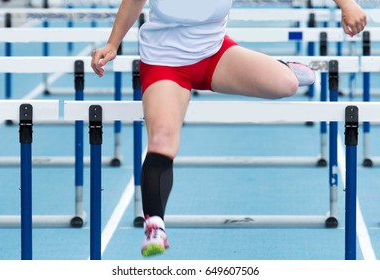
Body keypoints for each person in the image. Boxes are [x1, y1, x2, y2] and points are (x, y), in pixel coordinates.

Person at [91, 0, 367, 257]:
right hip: (165, 63)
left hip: (213, 54)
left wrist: (347, 3)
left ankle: (281, 69)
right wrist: (113, 44)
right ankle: (155, 226)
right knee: (162, 137)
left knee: (286, 84)